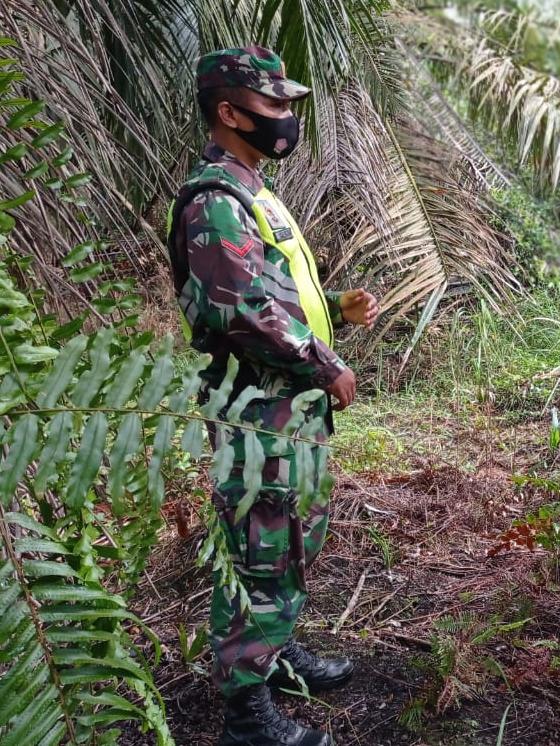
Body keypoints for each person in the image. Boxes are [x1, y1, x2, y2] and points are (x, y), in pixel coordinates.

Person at [166, 46, 380, 746]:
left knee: (288, 540)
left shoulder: (255, 191)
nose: (287, 120)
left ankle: (277, 651)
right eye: (274, 106)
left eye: (290, 105)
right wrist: (323, 363)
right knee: (258, 549)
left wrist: (336, 309)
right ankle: (246, 710)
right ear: (229, 111)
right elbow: (235, 308)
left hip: (289, 412)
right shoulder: (214, 199)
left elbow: (276, 290)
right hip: (257, 410)